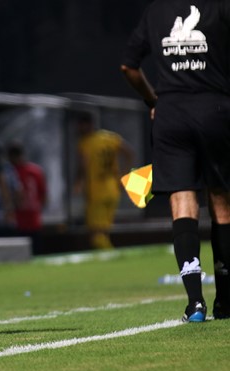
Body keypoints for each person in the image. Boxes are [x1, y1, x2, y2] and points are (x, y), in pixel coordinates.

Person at [121, 0, 230, 322]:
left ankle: (195, 303)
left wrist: (152, 100)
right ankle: (226, 301)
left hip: (170, 115)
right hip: (215, 110)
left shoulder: (156, 10)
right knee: (222, 202)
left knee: (183, 202)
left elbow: (128, 66)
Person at [74, 112, 134, 250]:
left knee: (96, 231)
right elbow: (129, 152)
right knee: (105, 229)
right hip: (112, 188)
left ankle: (109, 253)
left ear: (88, 124)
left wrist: (78, 182)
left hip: (96, 189)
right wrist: (124, 175)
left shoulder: (85, 142)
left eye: (80, 125)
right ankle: (106, 253)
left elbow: (82, 166)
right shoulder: (110, 137)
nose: (78, 129)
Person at [7, 142, 47, 254]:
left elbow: (43, 194)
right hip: (28, 218)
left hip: (23, 219)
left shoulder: (11, 172)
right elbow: (43, 195)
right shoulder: (36, 170)